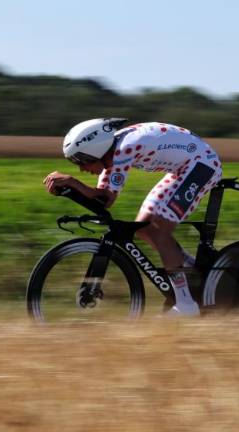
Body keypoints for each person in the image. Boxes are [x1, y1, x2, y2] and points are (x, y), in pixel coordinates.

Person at [43, 118, 223, 316]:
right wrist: (69, 190)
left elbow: (106, 198)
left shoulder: (124, 149)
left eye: (82, 161)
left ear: (96, 151)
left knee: (160, 232)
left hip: (202, 165)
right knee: (143, 228)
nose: (82, 169)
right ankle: (194, 272)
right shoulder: (112, 153)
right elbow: (102, 200)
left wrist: (72, 182)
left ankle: (186, 303)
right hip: (185, 167)